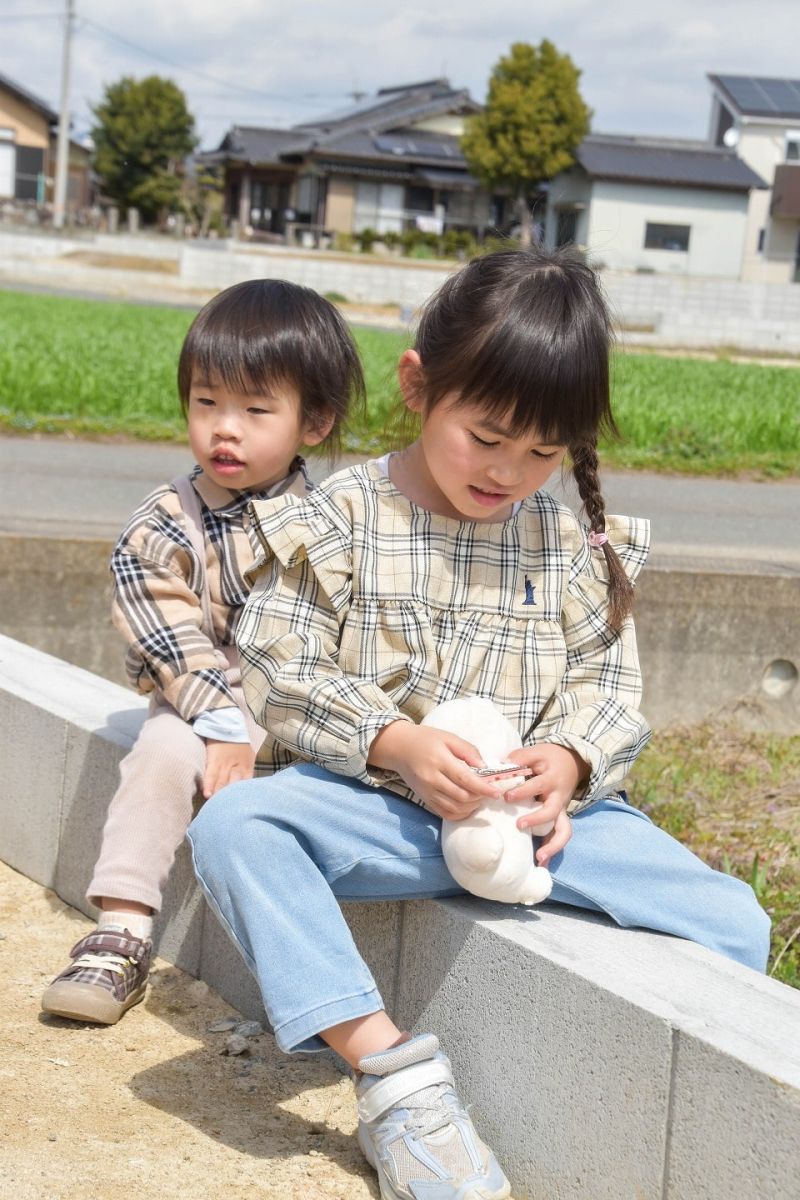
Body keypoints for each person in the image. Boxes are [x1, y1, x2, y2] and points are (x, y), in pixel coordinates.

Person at [187, 248, 770, 1200]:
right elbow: (277, 669)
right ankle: (396, 1079)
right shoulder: (337, 517)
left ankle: (616, 1102)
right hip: (387, 814)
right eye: (487, 436)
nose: (508, 471)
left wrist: (572, 765)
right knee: (236, 828)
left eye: (543, 452)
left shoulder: (571, 545)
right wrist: (396, 743)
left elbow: (612, 691)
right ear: (419, 387)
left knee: (732, 921)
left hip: (542, 835)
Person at [41, 278, 365, 1026]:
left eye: (256, 410)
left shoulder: (337, 522)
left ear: (312, 422)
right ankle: (121, 929)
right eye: (206, 403)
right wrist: (223, 726)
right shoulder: (161, 526)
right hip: (199, 701)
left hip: (304, 704)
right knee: (160, 752)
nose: (226, 429)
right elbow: (172, 640)